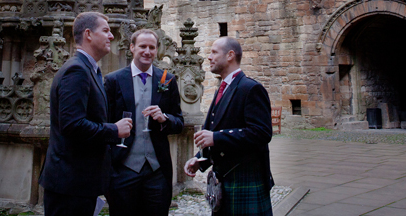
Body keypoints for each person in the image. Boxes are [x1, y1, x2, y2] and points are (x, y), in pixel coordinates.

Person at [39, 12, 133, 216]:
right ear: (88, 34)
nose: (111, 36)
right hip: (70, 184)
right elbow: (72, 125)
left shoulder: (90, 70)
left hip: (81, 182)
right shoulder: (77, 71)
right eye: (106, 31)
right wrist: (114, 130)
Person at [184, 37, 274, 216]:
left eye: (214, 52)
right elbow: (218, 130)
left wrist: (216, 138)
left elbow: (261, 133)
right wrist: (200, 159)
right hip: (224, 181)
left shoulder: (250, 88)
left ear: (230, 55)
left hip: (243, 178)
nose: (209, 57)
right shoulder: (223, 88)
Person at [104, 29, 184, 216]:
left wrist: (165, 118)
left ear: (157, 50)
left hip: (157, 171)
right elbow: (104, 123)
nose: (147, 51)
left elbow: (179, 122)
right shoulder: (113, 80)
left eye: (152, 47)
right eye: (142, 46)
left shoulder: (167, 80)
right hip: (123, 168)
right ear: (132, 48)